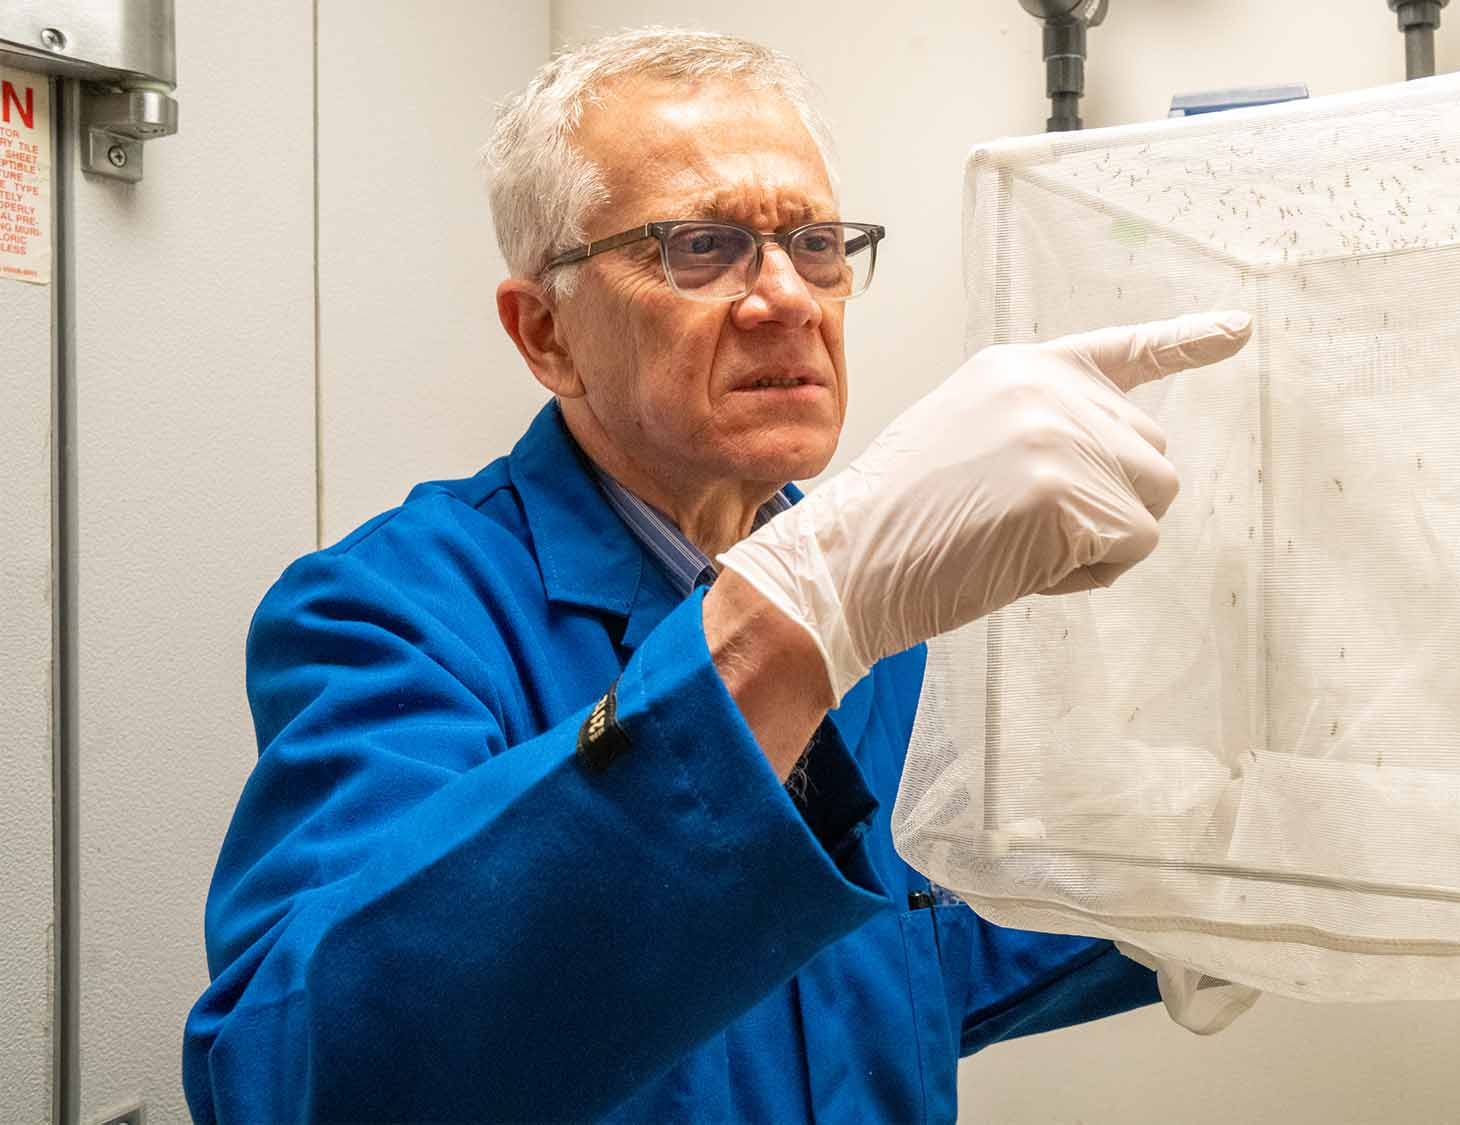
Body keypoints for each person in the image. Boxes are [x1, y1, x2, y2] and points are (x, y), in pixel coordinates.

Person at [182, 26, 1250, 1124]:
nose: (789, 297)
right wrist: (783, 628)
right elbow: (298, 1079)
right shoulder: (394, 614)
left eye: (818, 242)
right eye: (703, 246)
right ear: (546, 332)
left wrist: (1202, 881)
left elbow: (888, 976)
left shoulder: (871, 615)